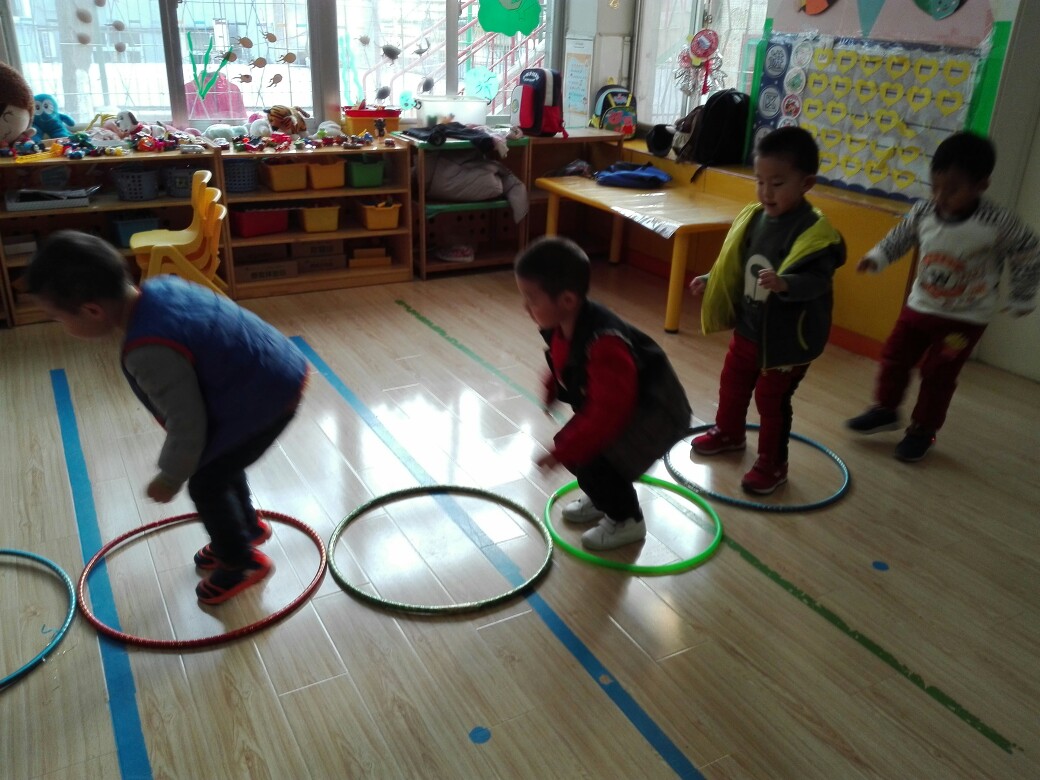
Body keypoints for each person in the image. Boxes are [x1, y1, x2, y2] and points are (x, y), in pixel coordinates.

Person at [27, 230, 308, 605]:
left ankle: (240, 562)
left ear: (92, 310)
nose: (62, 327)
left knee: (205, 483)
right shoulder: (160, 289)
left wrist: (170, 476)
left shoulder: (149, 350)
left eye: (58, 318)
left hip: (265, 399)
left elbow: (188, 424)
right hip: (274, 372)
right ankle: (246, 529)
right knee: (220, 462)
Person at [847, 131, 1040, 461]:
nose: (940, 197)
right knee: (894, 357)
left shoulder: (997, 222)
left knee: (938, 375)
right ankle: (885, 409)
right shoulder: (924, 212)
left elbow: (1028, 252)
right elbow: (900, 237)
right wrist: (877, 257)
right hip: (919, 306)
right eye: (934, 187)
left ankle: (923, 429)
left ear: (981, 185)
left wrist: (1022, 295)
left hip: (964, 319)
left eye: (952, 190)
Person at [688, 126, 845, 494]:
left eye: (777, 183)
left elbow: (819, 281)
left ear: (806, 183)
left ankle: (773, 464)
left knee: (771, 401)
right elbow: (737, 263)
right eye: (759, 181)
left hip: (786, 341)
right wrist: (711, 278)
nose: (765, 192)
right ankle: (729, 433)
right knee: (732, 383)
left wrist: (786, 283)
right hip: (748, 329)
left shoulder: (815, 233)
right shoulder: (755, 218)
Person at [515, 236, 692, 550]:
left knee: (593, 462)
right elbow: (564, 357)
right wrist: (553, 386)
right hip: (627, 403)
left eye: (532, 299)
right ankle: (604, 498)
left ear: (567, 300)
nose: (525, 307)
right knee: (580, 452)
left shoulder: (605, 343)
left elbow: (607, 413)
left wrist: (562, 451)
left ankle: (627, 519)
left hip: (657, 411)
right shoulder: (565, 322)